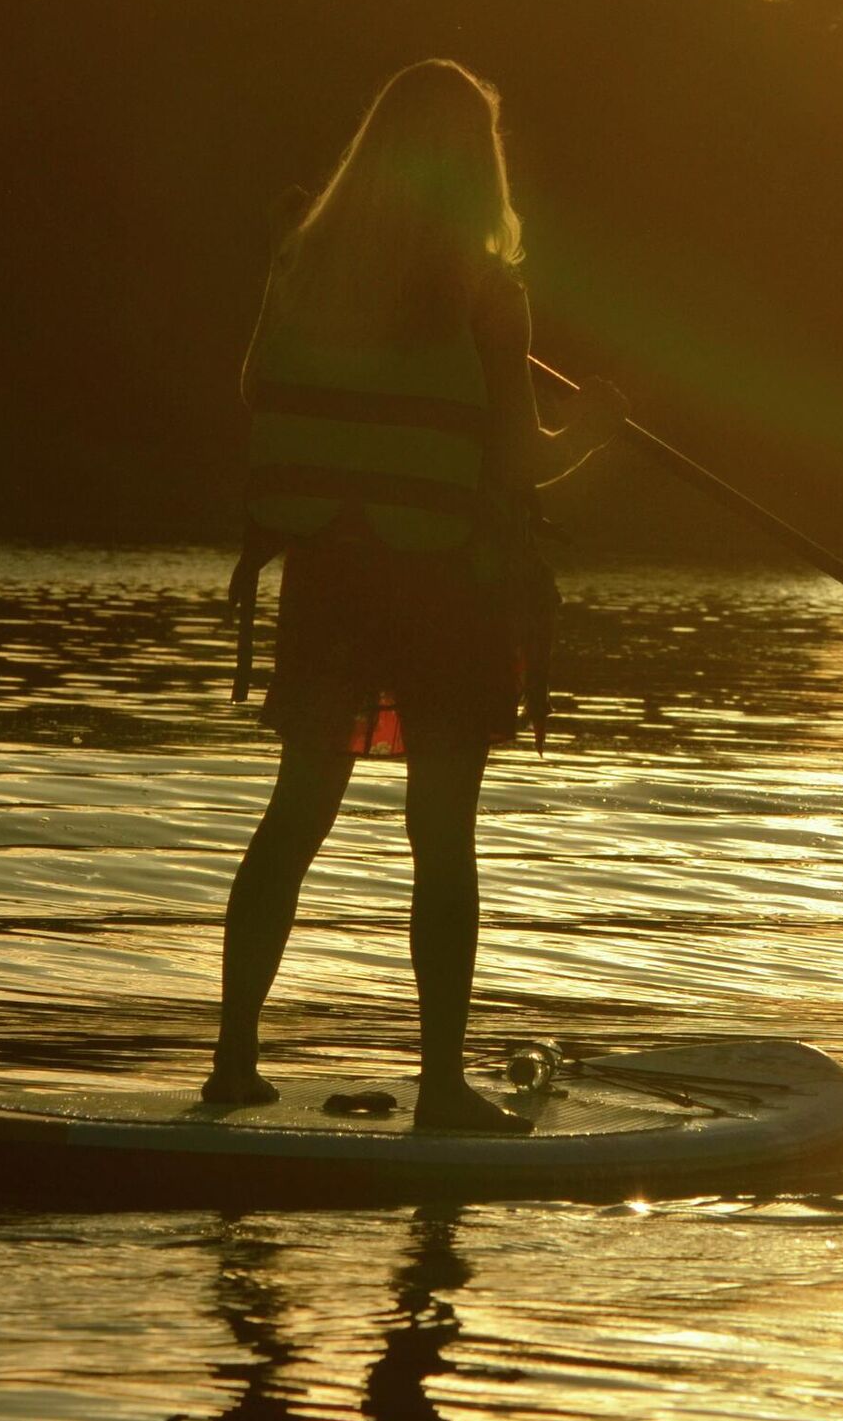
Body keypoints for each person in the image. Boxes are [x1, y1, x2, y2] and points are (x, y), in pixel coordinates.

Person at [204, 59, 625, 1132]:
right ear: (475, 168)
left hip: (330, 577)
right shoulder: (488, 292)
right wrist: (594, 430)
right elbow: (518, 464)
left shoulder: (303, 268)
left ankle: (233, 1063)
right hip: (445, 583)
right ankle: (441, 1088)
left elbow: (257, 389)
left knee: (295, 815)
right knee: (441, 833)